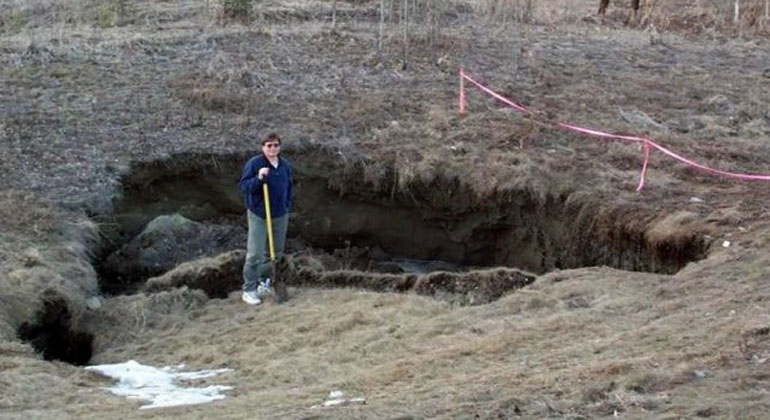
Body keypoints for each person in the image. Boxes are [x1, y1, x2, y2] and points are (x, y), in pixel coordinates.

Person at [238, 133, 293, 305]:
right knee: (255, 254)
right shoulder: (255, 164)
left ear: (280, 147)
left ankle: (265, 281)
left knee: (275, 253)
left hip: (280, 214)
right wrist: (258, 178)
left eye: (275, 145)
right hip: (259, 214)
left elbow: (289, 187)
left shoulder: (284, 165)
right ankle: (249, 290)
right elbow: (244, 187)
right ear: (263, 147)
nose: (272, 148)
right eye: (269, 145)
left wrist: (286, 206)